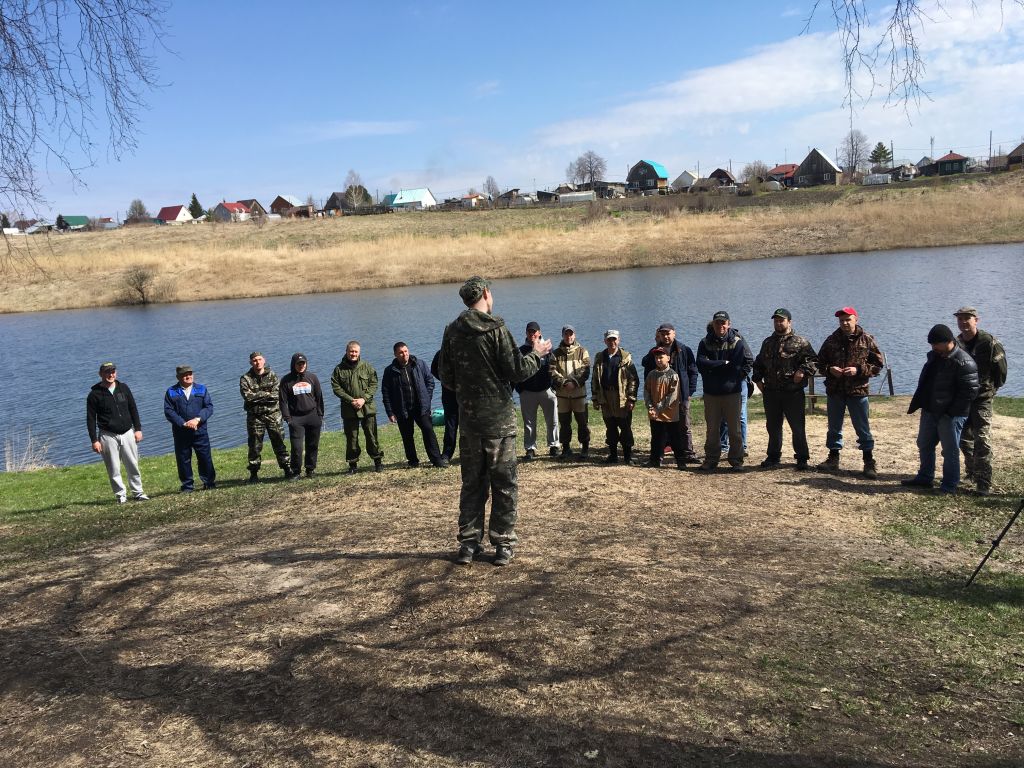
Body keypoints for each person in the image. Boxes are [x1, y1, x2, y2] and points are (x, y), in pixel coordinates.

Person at [438, 276, 551, 567]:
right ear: (487, 293)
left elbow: (446, 376)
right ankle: (502, 545)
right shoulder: (496, 328)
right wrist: (537, 355)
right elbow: (517, 370)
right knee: (504, 485)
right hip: (499, 422)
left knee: (472, 485)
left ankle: (468, 545)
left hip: (469, 423)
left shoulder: (452, 331)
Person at [902, 324, 979, 494]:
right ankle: (925, 477)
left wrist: (951, 412)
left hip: (950, 415)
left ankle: (949, 485)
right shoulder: (934, 357)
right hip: (930, 410)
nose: (933, 347)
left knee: (950, 451)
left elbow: (970, 392)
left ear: (948, 341)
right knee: (924, 444)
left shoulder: (964, 361)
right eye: (931, 344)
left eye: (936, 344)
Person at [817, 307, 884, 479]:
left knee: (862, 428)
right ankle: (833, 459)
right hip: (835, 391)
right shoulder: (831, 340)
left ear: (856, 319)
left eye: (848, 320)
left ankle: (869, 461)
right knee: (834, 428)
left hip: (858, 391)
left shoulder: (867, 339)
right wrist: (830, 369)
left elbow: (878, 365)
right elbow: (819, 363)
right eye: (842, 321)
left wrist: (858, 370)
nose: (845, 323)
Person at [751, 309, 818, 470]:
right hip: (771, 392)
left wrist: (802, 371)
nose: (778, 323)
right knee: (773, 427)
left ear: (789, 322)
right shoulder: (768, 342)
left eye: (781, 320)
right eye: (776, 320)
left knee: (797, 427)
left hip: (792, 393)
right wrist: (757, 379)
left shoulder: (800, 342)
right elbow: (759, 363)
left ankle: (802, 458)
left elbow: (814, 361)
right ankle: (773, 456)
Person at [955, 306, 1006, 496]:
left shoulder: (989, 342)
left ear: (976, 320)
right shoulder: (956, 343)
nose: (963, 322)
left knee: (982, 440)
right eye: (960, 319)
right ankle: (971, 472)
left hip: (982, 399)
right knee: (963, 439)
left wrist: (989, 391)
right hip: (963, 399)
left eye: (967, 318)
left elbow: (1001, 372)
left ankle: (984, 482)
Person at [696, 311, 753, 471]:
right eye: (717, 323)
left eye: (723, 323)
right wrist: (723, 363)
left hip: (732, 392)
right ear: (713, 324)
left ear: (728, 324)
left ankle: (736, 460)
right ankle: (711, 459)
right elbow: (700, 363)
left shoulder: (737, 342)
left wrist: (714, 366)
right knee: (712, 429)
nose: (720, 326)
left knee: (735, 429)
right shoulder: (704, 342)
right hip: (711, 393)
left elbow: (737, 365)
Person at [86, 361, 148, 503]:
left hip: (127, 432)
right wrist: (94, 440)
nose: (111, 374)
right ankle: (120, 495)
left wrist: (138, 429)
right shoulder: (94, 395)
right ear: (100, 374)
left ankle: (138, 492)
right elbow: (90, 419)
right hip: (107, 435)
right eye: (107, 372)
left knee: (132, 464)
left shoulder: (123, 388)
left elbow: (133, 408)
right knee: (113, 467)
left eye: (113, 371)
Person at [640, 323, 700, 463]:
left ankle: (688, 454)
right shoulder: (654, 352)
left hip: (681, 395)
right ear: (659, 335)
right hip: (660, 397)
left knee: (684, 426)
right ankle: (658, 456)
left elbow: (693, 371)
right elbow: (647, 372)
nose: (666, 336)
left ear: (674, 333)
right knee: (659, 427)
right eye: (663, 334)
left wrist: (690, 391)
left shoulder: (684, 350)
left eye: (668, 333)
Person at [382, 342, 446, 468]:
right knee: (407, 436)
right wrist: (390, 412)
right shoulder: (390, 371)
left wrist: (427, 399)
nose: (404, 354)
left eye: (406, 351)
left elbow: (430, 381)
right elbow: (386, 393)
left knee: (428, 431)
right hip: (402, 408)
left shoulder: (419, 364)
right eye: (401, 352)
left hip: (421, 407)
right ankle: (413, 461)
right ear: (395, 354)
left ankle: (436, 460)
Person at [331, 341, 383, 474]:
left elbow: (374, 384)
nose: (353, 354)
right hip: (349, 409)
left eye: (355, 351)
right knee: (352, 438)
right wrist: (351, 400)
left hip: (367, 407)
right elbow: (336, 387)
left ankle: (377, 462)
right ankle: (353, 465)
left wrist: (363, 399)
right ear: (346, 352)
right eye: (351, 351)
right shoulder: (338, 369)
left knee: (371, 436)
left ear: (359, 352)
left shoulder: (367, 367)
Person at [239, 351, 291, 483]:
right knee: (254, 446)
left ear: (264, 360)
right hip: (255, 417)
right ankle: (254, 473)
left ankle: (287, 468)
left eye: (259, 359)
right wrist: (266, 394)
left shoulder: (272, 375)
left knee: (279, 442)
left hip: (273, 415)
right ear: (251, 362)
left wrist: (258, 395)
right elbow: (248, 397)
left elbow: (276, 395)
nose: (257, 362)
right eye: (254, 360)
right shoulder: (245, 378)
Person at [163, 364, 215, 492]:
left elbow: (208, 407)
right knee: (183, 459)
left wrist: (198, 419)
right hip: (181, 432)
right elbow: (169, 411)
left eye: (190, 374)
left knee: (204, 457)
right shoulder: (171, 391)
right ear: (178, 377)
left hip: (200, 431)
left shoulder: (201, 389)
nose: (188, 376)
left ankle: (209, 482)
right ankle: (187, 485)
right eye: (184, 375)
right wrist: (183, 423)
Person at [514, 321, 560, 461]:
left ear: (539, 333)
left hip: (546, 390)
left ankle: (554, 446)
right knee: (529, 423)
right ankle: (530, 448)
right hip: (527, 392)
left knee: (552, 420)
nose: (532, 334)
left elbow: (554, 368)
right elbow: (516, 371)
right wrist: (520, 389)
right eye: (529, 331)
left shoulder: (547, 349)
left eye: (534, 332)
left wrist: (553, 388)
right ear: (526, 333)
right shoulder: (521, 350)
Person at [591, 329, 639, 464]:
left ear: (619, 340)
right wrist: (595, 398)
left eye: (614, 339)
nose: (612, 342)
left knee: (625, 427)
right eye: (609, 339)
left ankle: (628, 457)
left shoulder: (625, 357)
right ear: (605, 341)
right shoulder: (599, 357)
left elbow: (633, 380)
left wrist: (631, 398)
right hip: (605, 396)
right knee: (610, 427)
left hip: (621, 396)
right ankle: (613, 456)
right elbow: (594, 379)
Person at [279, 353, 325, 479]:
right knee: (297, 447)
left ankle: (310, 469)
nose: (301, 366)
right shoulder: (286, 380)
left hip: (313, 416)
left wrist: (320, 415)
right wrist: (288, 419)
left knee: (312, 445)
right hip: (296, 419)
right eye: (298, 364)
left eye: (303, 363)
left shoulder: (312, 378)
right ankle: (296, 472)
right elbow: (282, 402)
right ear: (293, 364)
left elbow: (319, 397)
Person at [550, 324, 591, 459]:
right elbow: (551, 371)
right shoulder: (555, 353)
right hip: (562, 395)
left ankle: (585, 447)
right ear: (562, 335)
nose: (568, 337)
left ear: (574, 335)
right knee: (564, 423)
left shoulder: (583, 351)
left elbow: (585, 371)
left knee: (582, 422)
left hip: (579, 394)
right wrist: (564, 383)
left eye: (571, 334)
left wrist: (574, 383)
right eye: (566, 334)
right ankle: (566, 448)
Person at [643, 346, 687, 469]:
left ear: (668, 358)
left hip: (670, 414)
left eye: (661, 357)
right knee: (656, 438)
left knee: (675, 438)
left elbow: (672, 396)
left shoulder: (673, 375)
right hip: (655, 413)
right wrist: (650, 407)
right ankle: (654, 460)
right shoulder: (651, 374)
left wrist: (658, 408)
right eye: (656, 358)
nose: (658, 360)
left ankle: (681, 461)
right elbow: (646, 391)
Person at [431, 349, 459, 463]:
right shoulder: (441, 353)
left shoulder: (467, 349)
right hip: (449, 395)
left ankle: (469, 453)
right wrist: (446, 382)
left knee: (468, 426)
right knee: (451, 425)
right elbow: (433, 369)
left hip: (467, 395)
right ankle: (447, 454)